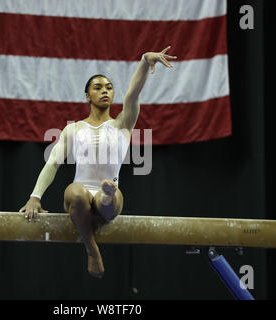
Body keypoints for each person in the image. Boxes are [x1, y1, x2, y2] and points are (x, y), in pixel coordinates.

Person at [19, 46, 177, 278]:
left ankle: (105, 196)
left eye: (109, 87)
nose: (105, 91)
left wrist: (144, 61)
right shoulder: (73, 129)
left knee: (107, 197)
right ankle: (93, 251)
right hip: (78, 198)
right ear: (87, 95)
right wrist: (35, 197)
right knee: (77, 191)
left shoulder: (123, 124)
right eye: (98, 87)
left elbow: (133, 94)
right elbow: (52, 163)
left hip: (110, 196)